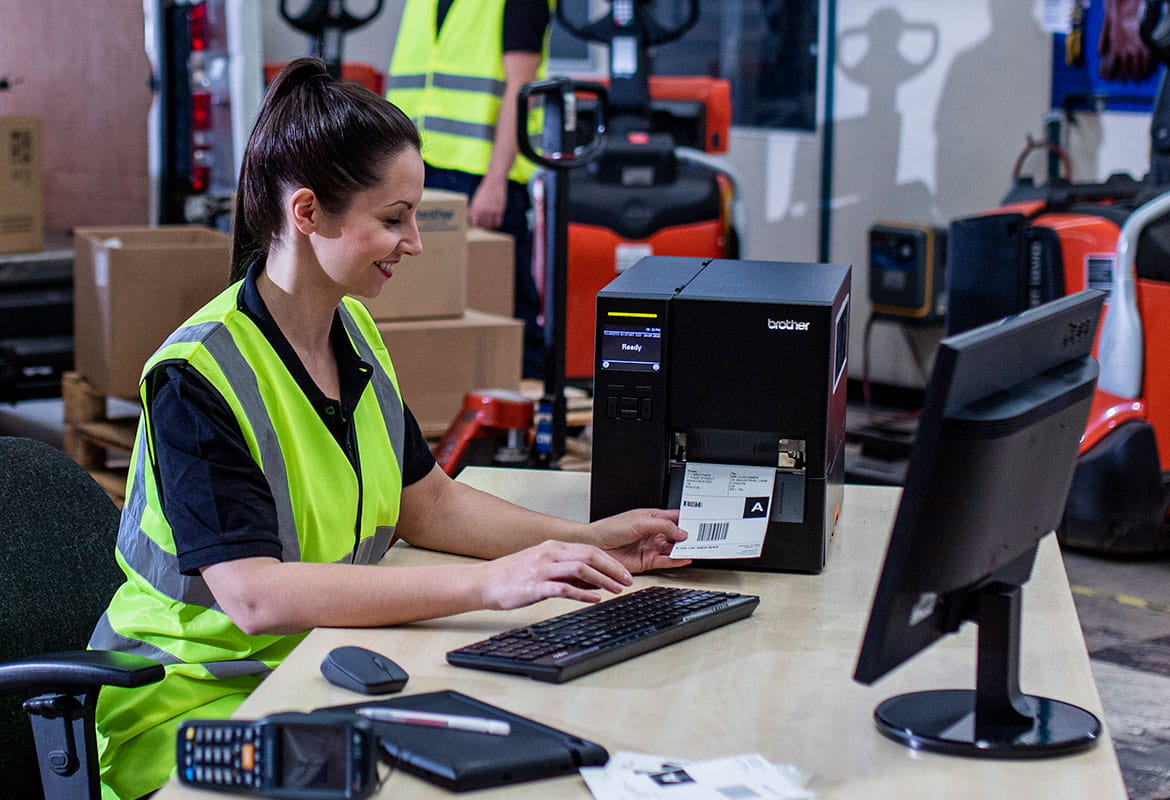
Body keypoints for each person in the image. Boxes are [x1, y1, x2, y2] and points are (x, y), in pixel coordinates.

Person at [89, 57, 689, 800]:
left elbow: (427, 503)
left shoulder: (355, 331)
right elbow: (254, 598)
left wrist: (592, 540)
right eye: (393, 218)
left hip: (319, 671)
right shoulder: (198, 376)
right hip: (189, 713)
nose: (416, 241)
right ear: (307, 213)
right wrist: (489, 585)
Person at [387, 0, 549, 379]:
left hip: (479, 177)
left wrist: (496, 180)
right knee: (428, 300)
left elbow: (521, 89)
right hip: (419, 170)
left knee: (505, 303)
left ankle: (529, 411)